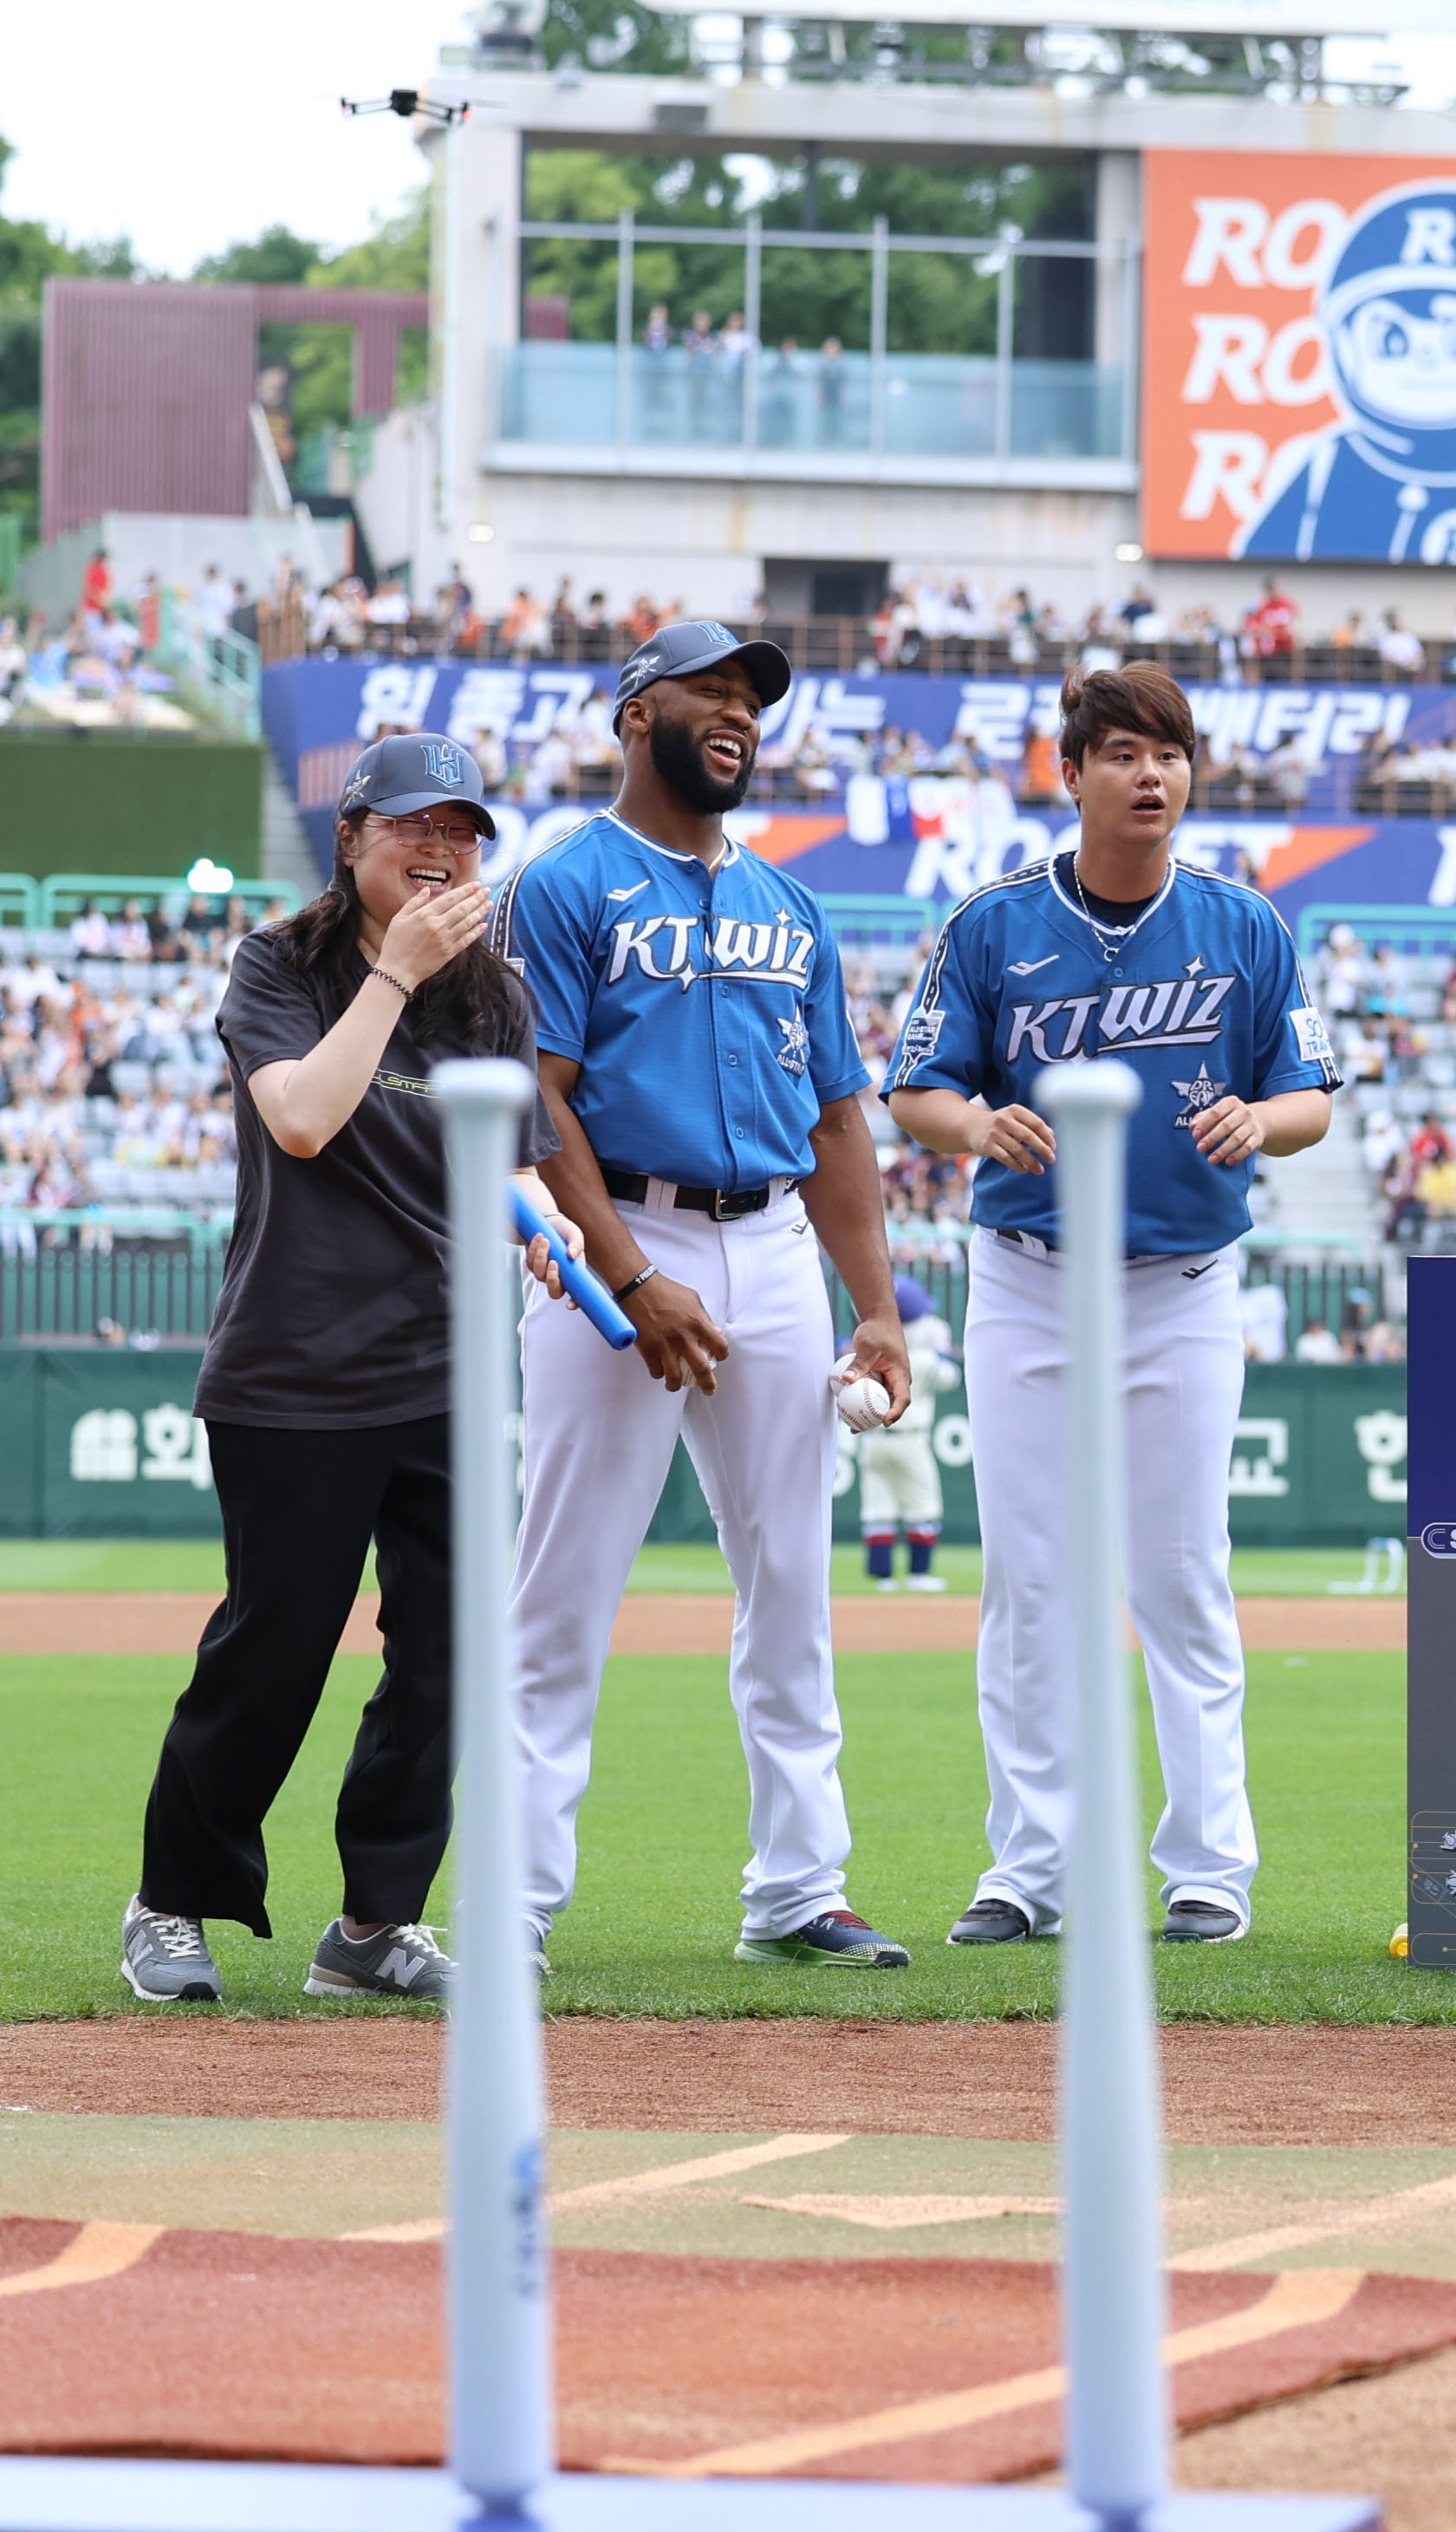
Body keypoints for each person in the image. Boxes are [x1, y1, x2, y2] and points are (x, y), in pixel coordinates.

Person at [882, 662, 1338, 1946]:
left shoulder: (1243, 924)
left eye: (1171, 753)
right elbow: (914, 1087)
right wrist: (976, 1119)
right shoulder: (992, 922)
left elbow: (1308, 1093)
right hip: (1027, 1283)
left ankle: (1207, 1869)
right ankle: (1029, 1870)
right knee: (1029, 1580)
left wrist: (1265, 1119)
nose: (1152, 774)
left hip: (1181, 1288)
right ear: (1068, 770)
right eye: (1125, 751)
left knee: (1181, 1573)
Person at [497, 619, 917, 1970]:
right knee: (563, 1589)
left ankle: (800, 1888)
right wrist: (628, 1272)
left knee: (790, 1580)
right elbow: (534, 1094)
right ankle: (513, 1902)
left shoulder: (791, 906)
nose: (738, 712)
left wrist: (879, 1307)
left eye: (753, 697)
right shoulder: (566, 886)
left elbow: (841, 1119)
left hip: (774, 1241)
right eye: (711, 691)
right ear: (636, 715)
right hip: (608, 1228)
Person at [118, 734, 561, 2005]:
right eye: (415, 825)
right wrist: (394, 978)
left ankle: (375, 1924)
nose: (443, 850)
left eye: (465, 832)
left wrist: (550, 1219)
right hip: (295, 1366)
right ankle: (171, 1903)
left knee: (446, 1653)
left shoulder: (494, 995)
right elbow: (302, 1118)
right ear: (352, 835)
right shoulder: (281, 963)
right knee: (274, 1648)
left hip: (450, 1373)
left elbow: (511, 1162)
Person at [859, 1290, 959, 1591]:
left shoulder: (871, 1355)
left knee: (879, 1506)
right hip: (909, 1440)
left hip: (873, 1440)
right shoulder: (925, 1359)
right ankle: (919, 1574)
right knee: (922, 1505)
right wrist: (942, 1349)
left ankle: (883, 1577)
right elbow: (950, 1377)